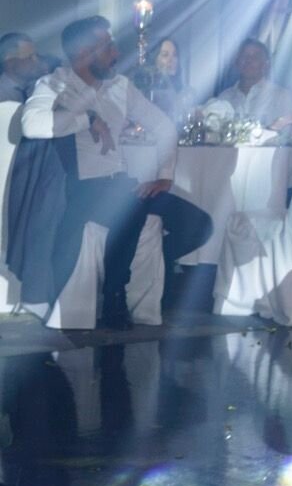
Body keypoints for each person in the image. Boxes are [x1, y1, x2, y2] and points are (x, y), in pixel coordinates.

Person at [21, 17, 212, 327]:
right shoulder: (55, 84)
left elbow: (163, 126)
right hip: (77, 187)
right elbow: (33, 125)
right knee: (130, 205)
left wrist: (164, 174)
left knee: (198, 224)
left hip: (120, 183)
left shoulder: (119, 86)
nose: (115, 51)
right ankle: (114, 294)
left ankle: (145, 270)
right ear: (84, 51)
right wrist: (85, 118)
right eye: (107, 45)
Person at [219, 39, 292, 128]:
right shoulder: (225, 97)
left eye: (255, 57)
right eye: (244, 56)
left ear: (266, 64)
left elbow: (291, 135)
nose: (248, 61)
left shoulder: (281, 96)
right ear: (237, 62)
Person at [148, 36, 197, 125]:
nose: (171, 60)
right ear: (155, 59)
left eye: (174, 55)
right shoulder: (150, 92)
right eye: (165, 55)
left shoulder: (187, 92)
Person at [0, 33, 44, 103]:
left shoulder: (37, 88)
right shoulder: (2, 95)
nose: (36, 61)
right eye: (30, 57)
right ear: (10, 61)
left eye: (36, 56)